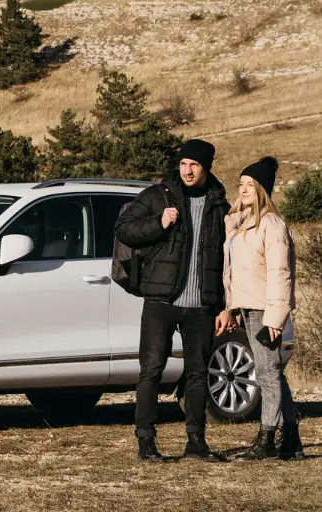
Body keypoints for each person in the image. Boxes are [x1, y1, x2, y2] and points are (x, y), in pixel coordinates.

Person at [115, 139, 231, 462]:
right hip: (161, 300)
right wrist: (159, 223)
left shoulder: (220, 205)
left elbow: (228, 260)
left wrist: (225, 305)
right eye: (183, 164)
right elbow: (123, 228)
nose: (187, 171)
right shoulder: (158, 196)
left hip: (203, 304)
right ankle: (146, 443)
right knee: (151, 370)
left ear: (206, 168)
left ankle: (196, 442)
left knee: (198, 373)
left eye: (194, 165)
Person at [219, 157, 304, 461]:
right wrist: (230, 307)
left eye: (250, 186)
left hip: (264, 310)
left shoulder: (271, 224)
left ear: (262, 191)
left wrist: (275, 319)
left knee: (267, 375)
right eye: (240, 184)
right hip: (247, 308)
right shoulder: (240, 222)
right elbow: (234, 271)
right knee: (274, 374)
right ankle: (291, 440)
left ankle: (267, 439)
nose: (243, 190)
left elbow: (280, 274)